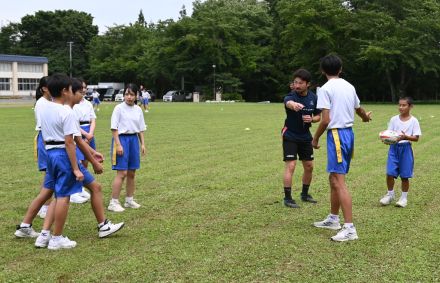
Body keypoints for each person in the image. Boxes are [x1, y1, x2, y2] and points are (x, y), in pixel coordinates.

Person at [35, 77, 124, 249]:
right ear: (64, 91)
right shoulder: (66, 112)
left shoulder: (46, 108)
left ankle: (44, 235)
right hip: (64, 155)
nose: (81, 94)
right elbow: (70, 142)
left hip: (51, 153)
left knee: (58, 194)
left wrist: (91, 153)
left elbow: (76, 140)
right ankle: (57, 238)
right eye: (73, 89)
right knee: (63, 197)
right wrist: (76, 168)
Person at [311, 54, 372, 242]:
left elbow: (326, 120)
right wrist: (365, 117)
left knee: (338, 180)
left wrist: (315, 138)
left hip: (336, 135)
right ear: (340, 69)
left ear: (323, 71)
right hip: (348, 134)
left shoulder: (325, 89)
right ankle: (333, 219)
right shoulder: (349, 86)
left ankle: (349, 228)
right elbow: (359, 108)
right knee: (333, 177)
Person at [14, 77, 52, 239]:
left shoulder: (48, 102)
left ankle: (27, 225)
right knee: (50, 182)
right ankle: (43, 224)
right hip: (48, 141)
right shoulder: (42, 104)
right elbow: (46, 127)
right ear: (44, 88)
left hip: (51, 142)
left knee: (51, 184)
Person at [281, 69, 321, 208]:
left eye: (300, 83)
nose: (297, 85)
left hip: (305, 136)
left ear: (307, 84)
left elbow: (318, 117)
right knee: (291, 165)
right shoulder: (291, 96)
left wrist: (312, 118)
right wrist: (294, 105)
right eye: (295, 82)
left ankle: (304, 194)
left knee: (309, 166)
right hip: (290, 134)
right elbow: (288, 103)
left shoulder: (313, 98)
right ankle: (287, 198)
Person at [108, 83, 146, 212]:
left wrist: (142, 144)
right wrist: (118, 144)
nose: (129, 97)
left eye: (132, 94)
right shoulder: (118, 108)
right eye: (127, 94)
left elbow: (141, 129)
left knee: (131, 172)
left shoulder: (138, 109)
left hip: (133, 140)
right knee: (122, 172)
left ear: (136, 96)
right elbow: (114, 128)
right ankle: (113, 202)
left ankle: (129, 200)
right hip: (121, 139)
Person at [379, 97, 421, 208]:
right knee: (389, 173)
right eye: (399, 105)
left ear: (410, 106)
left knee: (404, 176)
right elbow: (389, 134)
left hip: (406, 149)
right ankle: (390, 195)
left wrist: (405, 137)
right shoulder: (394, 119)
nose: (401, 107)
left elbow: (416, 138)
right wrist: (386, 139)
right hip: (394, 149)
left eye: (404, 105)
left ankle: (403, 198)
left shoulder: (414, 121)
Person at [70, 79, 97, 203]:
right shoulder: (72, 105)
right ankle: (74, 191)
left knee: (86, 161)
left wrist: (90, 133)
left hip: (88, 131)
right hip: (79, 131)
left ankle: (80, 188)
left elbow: (93, 119)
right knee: (78, 161)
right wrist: (85, 134)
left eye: (85, 88)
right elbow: (73, 124)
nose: (84, 90)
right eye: (81, 88)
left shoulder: (88, 103)